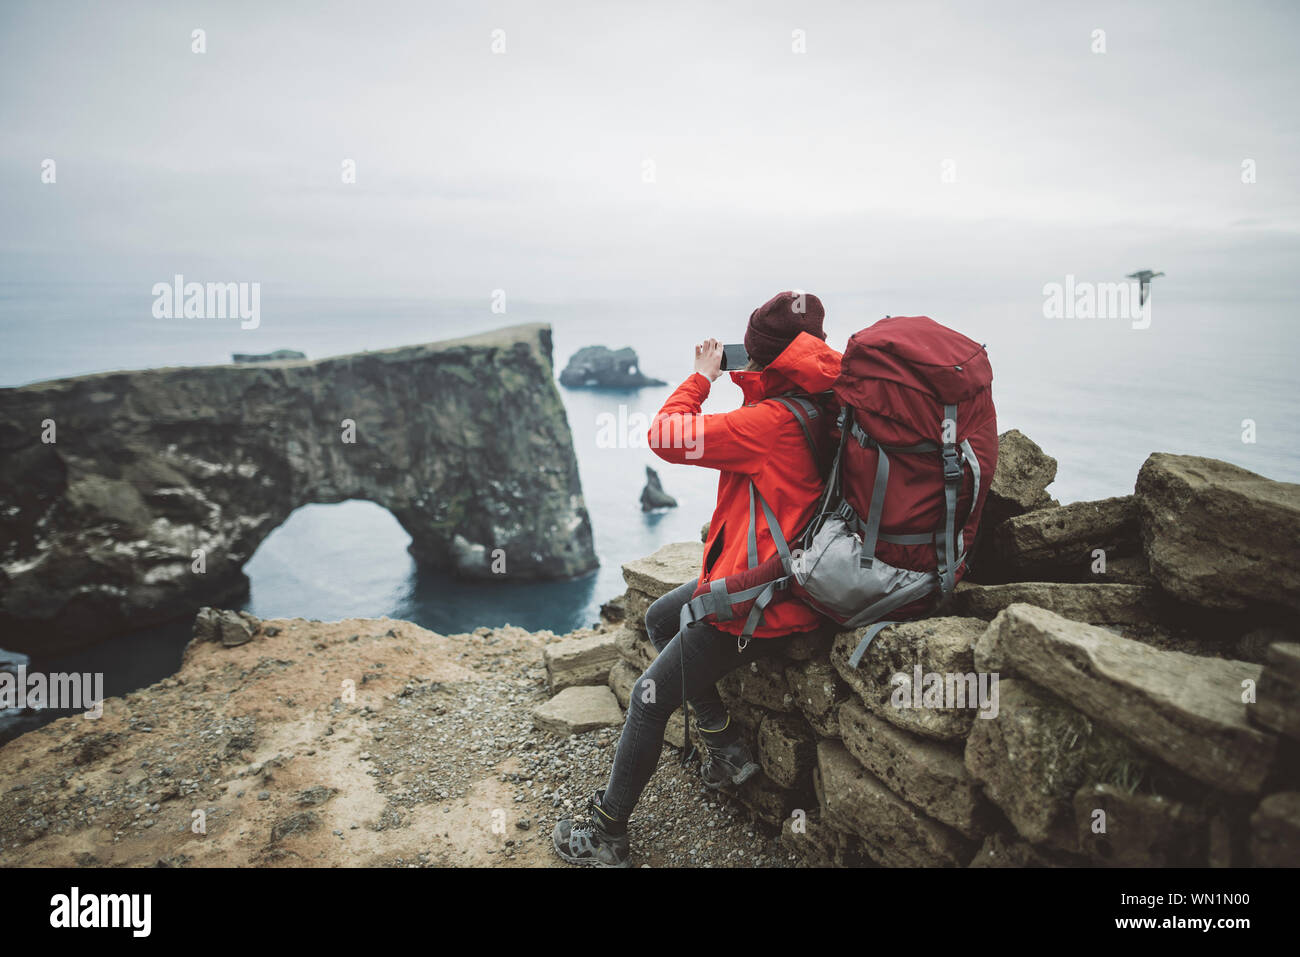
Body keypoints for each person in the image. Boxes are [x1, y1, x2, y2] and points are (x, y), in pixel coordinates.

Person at [552, 290, 843, 867]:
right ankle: (726, 746)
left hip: (762, 604)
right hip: (783, 580)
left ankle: (608, 833)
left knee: (647, 696)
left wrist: (701, 378)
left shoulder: (769, 423)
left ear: (759, 358)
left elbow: (666, 436)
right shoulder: (822, 402)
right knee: (662, 616)